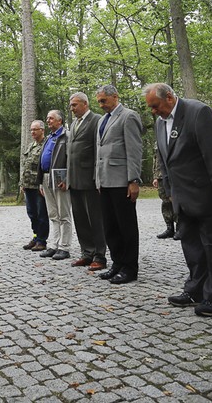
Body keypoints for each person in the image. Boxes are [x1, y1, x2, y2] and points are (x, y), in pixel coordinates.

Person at [146, 83, 212, 317]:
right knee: (192, 247)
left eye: (155, 106)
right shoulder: (159, 122)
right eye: (150, 108)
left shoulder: (198, 112)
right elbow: (165, 160)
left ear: (170, 98)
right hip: (182, 197)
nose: (153, 112)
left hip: (208, 194)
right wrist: (170, 190)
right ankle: (195, 289)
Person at [94, 85, 143, 285]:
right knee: (110, 226)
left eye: (104, 101)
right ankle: (117, 263)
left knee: (126, 226)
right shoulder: (102, 121)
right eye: (98, 101)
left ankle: (130, 267)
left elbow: (134, 150)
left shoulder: (128, 116)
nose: (101, 105)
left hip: (122, 181)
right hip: (105, 181)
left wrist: (133, 180)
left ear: (115, 97)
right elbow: (99, 152)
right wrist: (98, 179)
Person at [65, 92, 107, 271]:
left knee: (95, 219)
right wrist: (67, 177)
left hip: (90, 180)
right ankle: (86, 253)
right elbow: (70, 153)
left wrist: (97, 178)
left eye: (74, 105)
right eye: (71, 105)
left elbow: (99, 151)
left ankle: (99, 255)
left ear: (85, 104)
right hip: (74, 180)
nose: (71, 108)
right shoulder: (74, 124)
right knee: (80, 218)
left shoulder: (96, 120)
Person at [37, 110, 72, 261]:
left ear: (60, 121)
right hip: (45, 178)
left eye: (51, 118)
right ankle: (54, 245)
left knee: (63, 214)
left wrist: (68, 179)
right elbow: (42, 160)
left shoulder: (67, 136)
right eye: (47, 118)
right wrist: (40, 182)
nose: (48, 121)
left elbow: (71, 159)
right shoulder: (49, 138)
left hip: (60, 178)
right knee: (53, 214)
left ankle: (65, 247)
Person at [21, 120, 49, 252]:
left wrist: (42, 184)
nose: (32, 132)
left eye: (35, 130)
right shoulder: (31, 146)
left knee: (41, 213)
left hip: (39, 186)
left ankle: (42, 240)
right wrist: (22, 183)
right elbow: (26, 165)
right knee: (32, 213)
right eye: (31, 130)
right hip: (28, 185)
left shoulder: (46, 145)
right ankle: (36, 236)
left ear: (42, 130)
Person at [152, 142, 179, 240]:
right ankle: (169, 228)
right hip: (160, 176)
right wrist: (155, 176)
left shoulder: (172, 137)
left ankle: (180, 227)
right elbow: (155, 159)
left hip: (173, 174)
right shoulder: (158, 140)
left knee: (176, 200)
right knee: (165, 201)